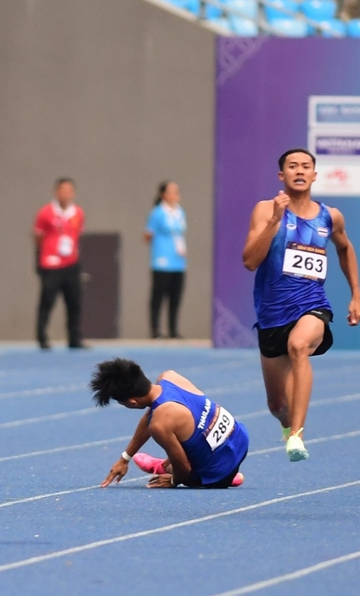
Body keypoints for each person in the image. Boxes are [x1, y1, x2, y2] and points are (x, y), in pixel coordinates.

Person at [242, 148, 360, 462]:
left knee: (299, 346)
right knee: (277, 406)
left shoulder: (330, 216)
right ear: (281, 175)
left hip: (312, 305)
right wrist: (274, 221)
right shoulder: (265, 210)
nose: (300, 171)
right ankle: (287, 424)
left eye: (306, 166)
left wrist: (356, 295)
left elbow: (345, 249)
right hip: (271, 314)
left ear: (314, 174)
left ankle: (297, 436)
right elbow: (250, 262)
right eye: (292, 166)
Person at [93, 358, 248, 488]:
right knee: (187, 430)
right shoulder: (169, 377)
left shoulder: (159, 424)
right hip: (239, 440)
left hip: (218, 473)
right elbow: (151, 415)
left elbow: (184, 468)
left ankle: (162, 466)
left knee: (174, 467)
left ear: (133, 402)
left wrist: (173, 480)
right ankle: (228, 470)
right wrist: (125, 458)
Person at [33, 177, 84, 349]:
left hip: (71, 263)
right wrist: (46, 255)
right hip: (51, 265)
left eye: (69, 190)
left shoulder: (77, 213)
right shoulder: (46, 212)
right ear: (56, 192)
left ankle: (74, 338)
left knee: (74, 302)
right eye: (62, 190)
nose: (66, 194)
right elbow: (38, 237)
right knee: (47, 301)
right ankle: (42, 337)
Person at [144, 181, 187, 339]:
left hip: (178, 261)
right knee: (158, 296)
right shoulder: (158, 213)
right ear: (164, 194)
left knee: (175, 297)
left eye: (177, 191)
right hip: (162, 262)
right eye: (172, 191)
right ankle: (155, 329)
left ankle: (173, 329)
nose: (176, 194)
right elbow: (148, 234)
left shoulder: (180, 212)